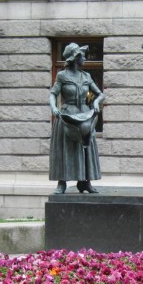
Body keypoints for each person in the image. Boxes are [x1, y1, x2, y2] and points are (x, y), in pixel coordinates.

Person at [48, 43, 105, 194]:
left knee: (84, 148)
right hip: (67, 117)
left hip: (85, 116)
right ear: (75, 58)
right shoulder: (62, 75)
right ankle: (62, 183)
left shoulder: (86, 76)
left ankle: (84, 182)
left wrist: (96, 103)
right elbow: (53, 94)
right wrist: (54, 107)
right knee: (65, 150)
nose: (84, 58)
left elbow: (99, 94)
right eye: (82, 55)